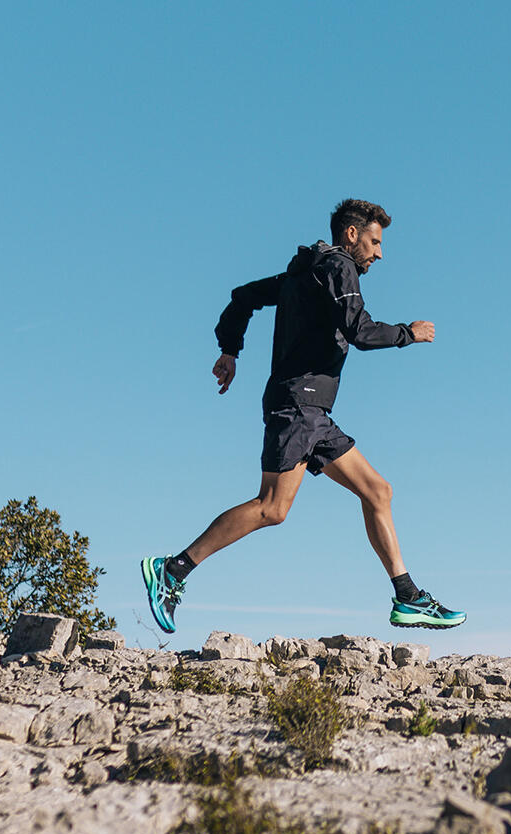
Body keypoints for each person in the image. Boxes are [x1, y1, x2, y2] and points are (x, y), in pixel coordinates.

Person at [141, 198, 466, 634]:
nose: (380, 253)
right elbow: (360, 331)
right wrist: (410, 333)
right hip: (298, 406)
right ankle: (173, 569)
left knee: (378, 491)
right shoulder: (337, 267)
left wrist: (229, 349)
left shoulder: (304, 272)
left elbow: (243, 297)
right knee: (272, 508)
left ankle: (408, 598)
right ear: (351, 234)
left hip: (312, 410)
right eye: (374, 241)